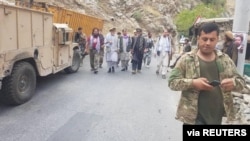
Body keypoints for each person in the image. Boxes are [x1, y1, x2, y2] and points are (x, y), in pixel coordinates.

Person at [168, 22, 245, 125]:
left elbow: (241, 82)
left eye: (212, 39)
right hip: (194, 118)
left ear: (217, 39)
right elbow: (172, 82)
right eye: (204, 39)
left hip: (216, 117)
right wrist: (193, 83)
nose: (208, 43)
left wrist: (233, 83)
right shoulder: (187, 59)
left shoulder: (225, 60)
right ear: (198, 38)